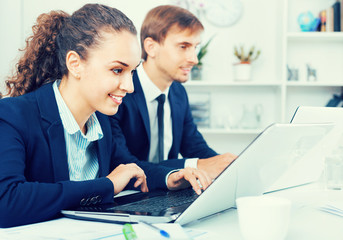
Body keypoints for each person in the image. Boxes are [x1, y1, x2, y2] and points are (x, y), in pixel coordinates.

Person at [0, 4, 211, 228]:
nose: (129, 86)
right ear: (75, 64)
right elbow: (6, 202)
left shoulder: (100, 120)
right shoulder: (13, 116)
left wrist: (170, 178)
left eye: (132, 71)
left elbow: (129, 168)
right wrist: (107, 186)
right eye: (117, 70)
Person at [112, 5, 237, 180]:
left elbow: (195, 147)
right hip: (128, 195)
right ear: (151, 47)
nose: (194, 59)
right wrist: (195, 165)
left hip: (167, 194)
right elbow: (121, 164)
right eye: (183, 46)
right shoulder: (120, 91)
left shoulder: (178, 93)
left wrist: (228, 164)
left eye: (195, 47)